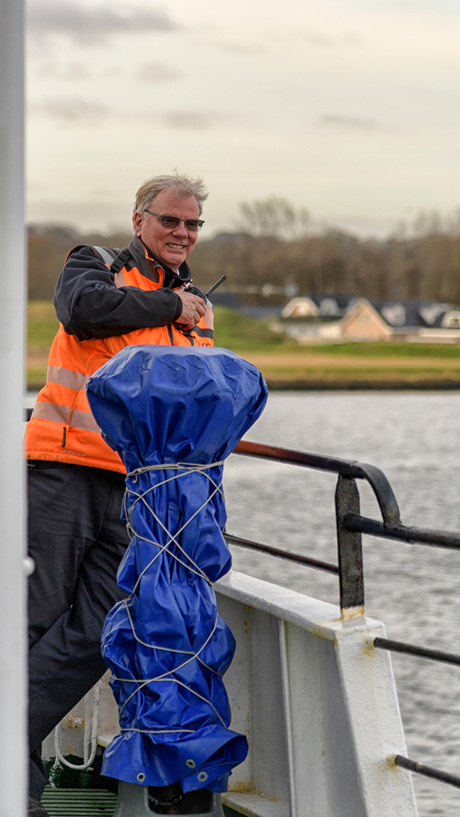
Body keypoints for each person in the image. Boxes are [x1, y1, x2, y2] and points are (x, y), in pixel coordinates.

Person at [25, 173, 213, 817]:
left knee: (97, 631)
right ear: (140, 222)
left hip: (141, 493)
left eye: (192, 225)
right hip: (64, 470)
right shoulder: (95, 266)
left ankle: (11, 738)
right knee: (35, 614)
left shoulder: (195, 306)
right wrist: (172, 309)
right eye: (170, 222)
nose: (182, 234)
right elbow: (82, 312)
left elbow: (198, 399)